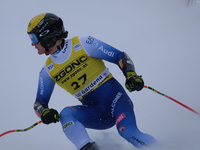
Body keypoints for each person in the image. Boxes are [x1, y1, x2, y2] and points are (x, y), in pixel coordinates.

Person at [27, 13, 157, 150]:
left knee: (127, 131)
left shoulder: (83, 43)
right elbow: (39, 104)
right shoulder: (47, 70)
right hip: (97, 114)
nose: (32, 43)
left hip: (116, 100)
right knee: (66, 114)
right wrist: (44, 113)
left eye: (33, 38)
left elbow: (120, 56)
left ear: (47, 36)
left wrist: (131, 75)